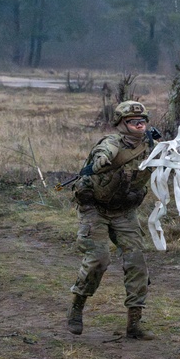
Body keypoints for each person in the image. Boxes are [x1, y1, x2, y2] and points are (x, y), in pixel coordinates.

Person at [66, 100, 159, 339]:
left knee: (136, 261)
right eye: (133, 122)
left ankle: (134, 324)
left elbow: (176, 159)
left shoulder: (152, 147)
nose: (139, 125)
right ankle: (77, 305)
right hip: (94, 208)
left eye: (142, 121)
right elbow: (105, 151)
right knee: (98, 258)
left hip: (124, 210)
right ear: (121, 124)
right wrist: (101, 160)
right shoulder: (111, 143)